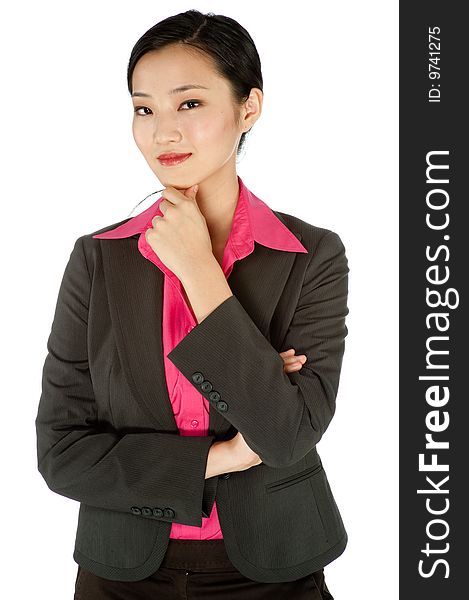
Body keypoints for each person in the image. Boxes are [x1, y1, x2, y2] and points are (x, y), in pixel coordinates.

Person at [35, 9, 349, 599]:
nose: (162, 132)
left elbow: (285, 436)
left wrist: (199, 270)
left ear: (248, 108)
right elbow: (62, 454)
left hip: (274, 566)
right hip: (122, 570)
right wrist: (225, 453)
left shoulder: (312, 256)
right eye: (143, 108)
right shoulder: (97, 260)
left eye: (189, 104)